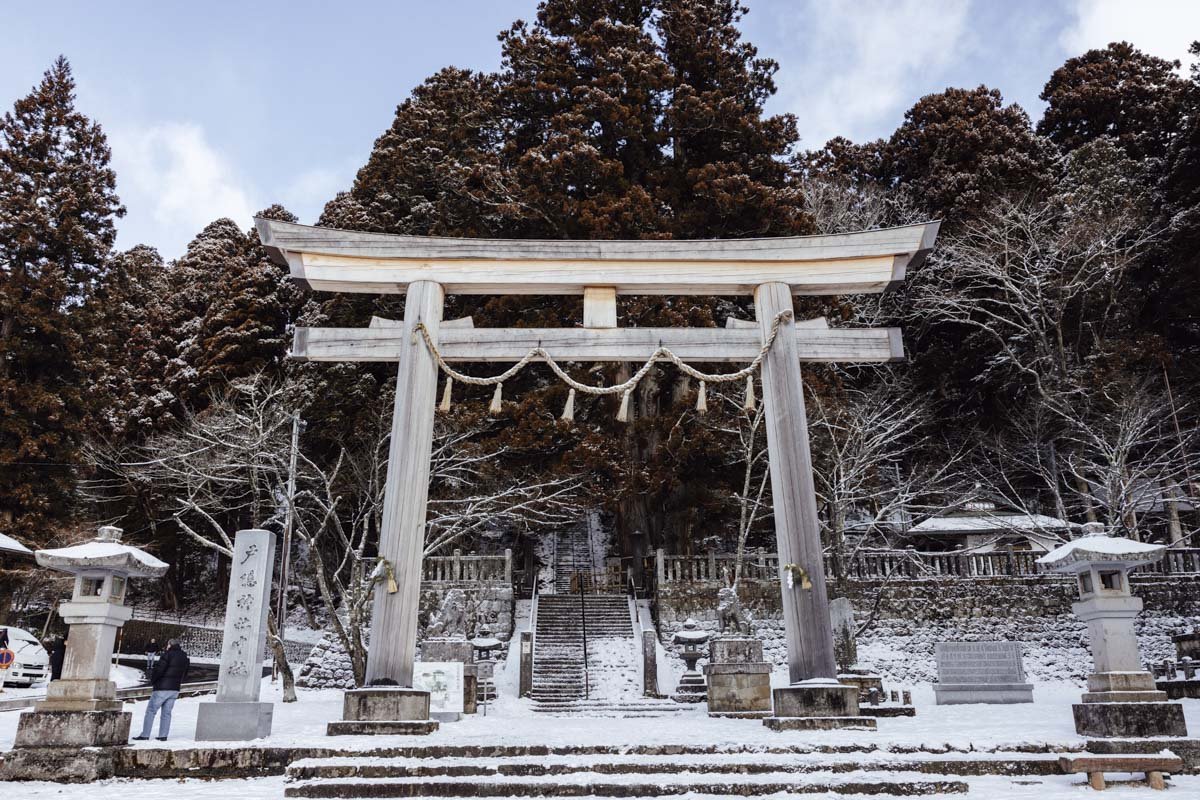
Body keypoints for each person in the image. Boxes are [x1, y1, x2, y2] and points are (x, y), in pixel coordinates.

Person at [133, 639, 189, 741]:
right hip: (175, 689)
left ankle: (145, 734)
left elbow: (159, 670)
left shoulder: (167, 655)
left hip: (162, 688)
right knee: (167, 713)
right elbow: (185, 674)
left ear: (170, 645)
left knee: (151, 711)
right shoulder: (184, 657)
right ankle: (163, 735)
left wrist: (153, 681)